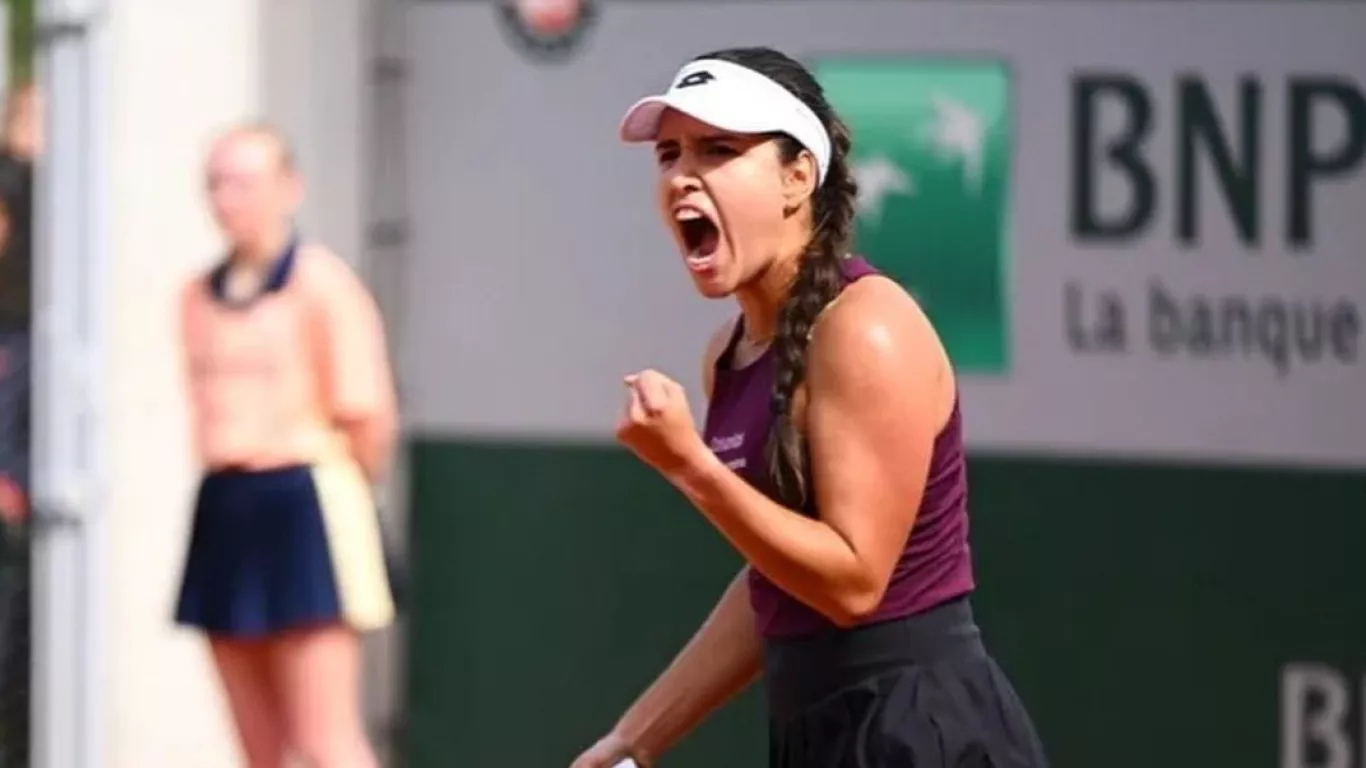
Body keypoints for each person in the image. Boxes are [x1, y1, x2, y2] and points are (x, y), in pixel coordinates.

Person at [570, 48, 1049, 768]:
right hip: (816, 734)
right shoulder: (728, 354)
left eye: (719, 150)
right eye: (669, 154)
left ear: (799, 178)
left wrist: (692, 467)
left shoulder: (866, 326)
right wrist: (635, 739)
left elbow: (853, 583)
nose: (683, 176)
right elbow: (779, 586)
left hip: (922, 733)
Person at [175, 123, 398, 768]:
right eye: (215, 183)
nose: (226, 199)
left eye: (244, 181)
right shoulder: (193, 297)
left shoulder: (325, 285)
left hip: (304, 504)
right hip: (223, 505)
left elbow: (367, 418)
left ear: (289, 188)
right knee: (258, 747)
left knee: (326, 739)